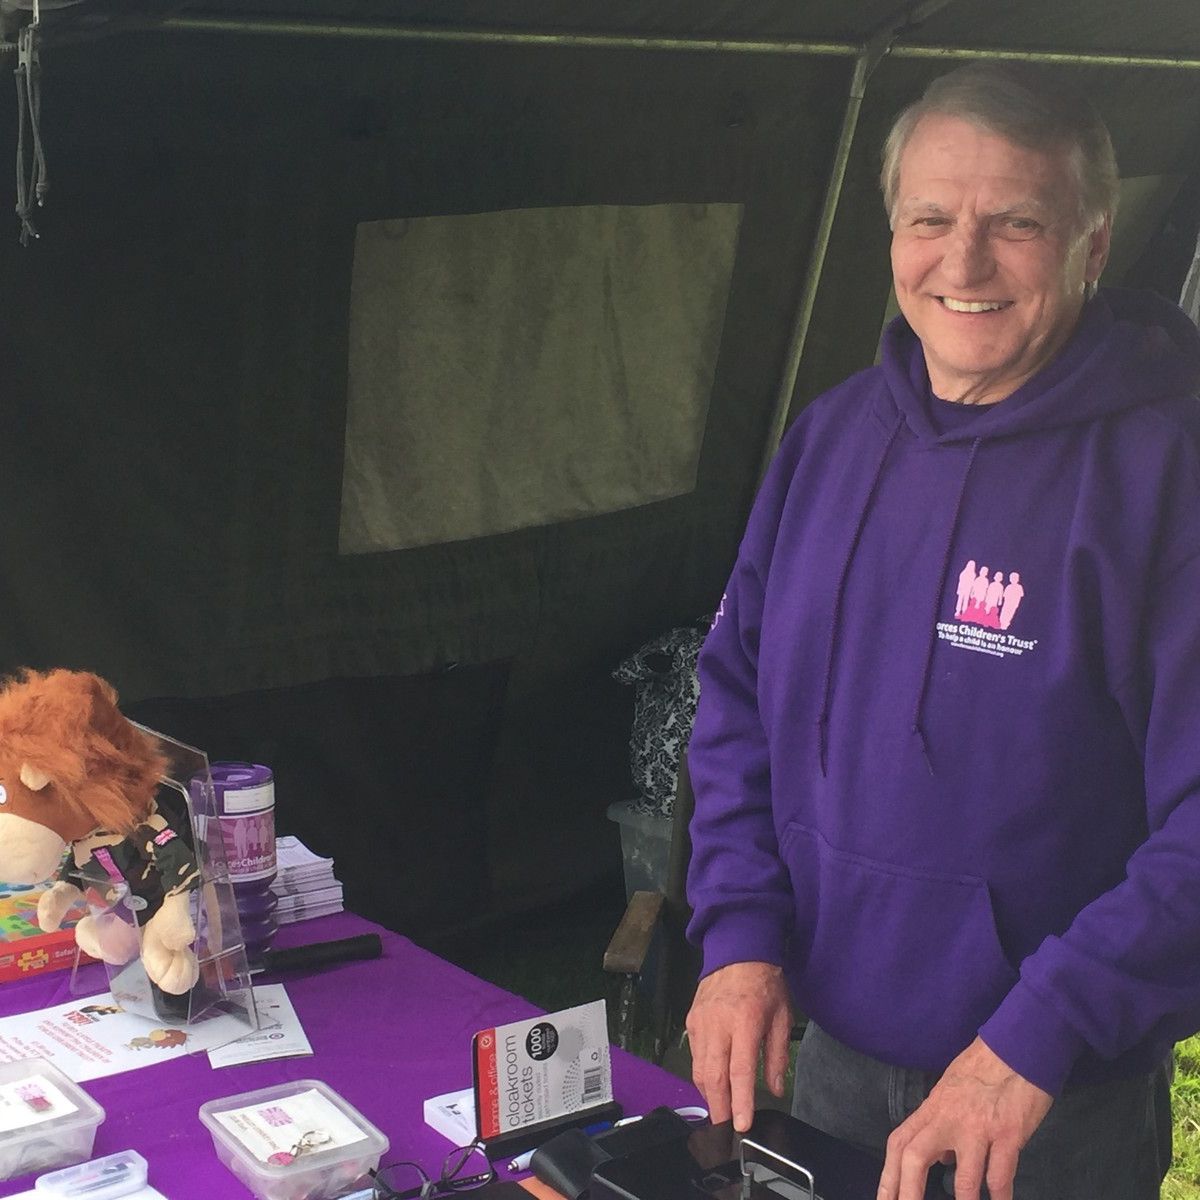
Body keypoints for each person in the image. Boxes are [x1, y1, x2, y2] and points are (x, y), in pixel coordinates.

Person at [683, 61, 1200, 1200]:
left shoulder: (1166, 479)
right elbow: (736, 703)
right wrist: (740, 934)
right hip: (824, 1062)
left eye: (1016, 224)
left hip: (1046, 1104)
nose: (962, 265)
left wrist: (1043, 1033)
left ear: (1094, 245)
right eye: (929, 220)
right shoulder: (829, 440)